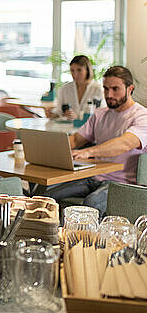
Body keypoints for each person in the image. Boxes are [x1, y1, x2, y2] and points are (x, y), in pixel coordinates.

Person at [44, 66, 147, 216]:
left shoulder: (141, 116)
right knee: (46, 195)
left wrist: (89, 151)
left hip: (120, 183)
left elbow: (124, 143)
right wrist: (48, 150)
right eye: (106, 89)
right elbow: (76, 140)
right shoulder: (100, 114)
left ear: (130, 89)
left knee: (91, 204)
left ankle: (80, 239)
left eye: (115, 89)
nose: (109, 94)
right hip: (92, 177)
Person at [47, 55, 103, 119]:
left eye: (79, 70)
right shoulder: (65, 88)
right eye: (72, 70)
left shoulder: (98, 89)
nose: (75, 74)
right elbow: (59, 111)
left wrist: (78, 117)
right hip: (66, 128)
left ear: (87, 70)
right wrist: (53, 114)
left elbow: (100, 115)